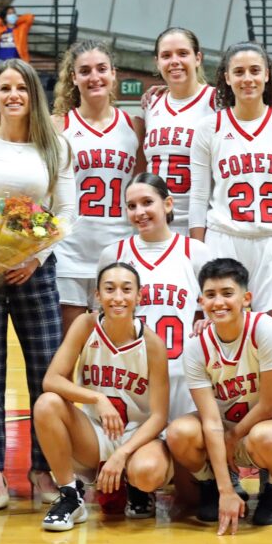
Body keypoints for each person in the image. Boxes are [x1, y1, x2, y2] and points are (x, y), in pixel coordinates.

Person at [0, 59, 74, 509]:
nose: (13, 95)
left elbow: (66, 212)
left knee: (46, 369)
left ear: (33, 94)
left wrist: (36, 256)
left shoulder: (55, 145)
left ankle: (43, 468)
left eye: (21, 87)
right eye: (5, 87)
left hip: (35, 265)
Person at [35, 262, 172, 531]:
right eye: (109, 289)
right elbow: (51, 380)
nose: (118, 297)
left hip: (136, 438)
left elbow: (158, 417)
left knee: (147, 473)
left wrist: (122, 453)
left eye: (126, 289)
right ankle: (70, 497)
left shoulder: (152, 344)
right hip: (95, 435)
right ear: (97, 295)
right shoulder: (85, 326)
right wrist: (98, 399)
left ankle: (135, 485)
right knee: (46, 404)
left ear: (139, 296)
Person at [166, 258, 272, 533]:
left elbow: (268, 406)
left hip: (270, 422)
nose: (219, 302)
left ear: (246, 298)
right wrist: (224, 488)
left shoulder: (266, 329)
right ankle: (212, 485)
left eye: (228, 293)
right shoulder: (195, 346)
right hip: (224, 425)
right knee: (178, 433)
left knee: (266, 437)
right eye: (211, 295)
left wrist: (233, 436)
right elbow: (211, 420)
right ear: (201, 301)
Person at [188, 41, 272, 317]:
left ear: (267, 74)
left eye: (255, 71)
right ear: (227, 77)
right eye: (239, 72)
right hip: (224, 238)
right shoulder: (209, 128)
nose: (248, 79)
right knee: (225, 329)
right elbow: (197, 199)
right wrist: (197, 257)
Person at [98, 172, 212, 421]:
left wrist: (209, 321)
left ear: (168, 204)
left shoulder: (196, 252)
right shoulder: (113, 255)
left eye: (147, 202)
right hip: (132, 379)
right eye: (131, 206)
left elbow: (220, 312)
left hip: (184, 377)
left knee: (184, 448)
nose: (139, 212)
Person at [52, 39, 139, 332]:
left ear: (114, 73)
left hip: (119, 251)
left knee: (116, 350)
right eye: (85, 71)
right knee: (71, 349)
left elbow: (139, 190)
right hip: (69, 253)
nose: (94, 77)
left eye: (102, 69)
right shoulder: (59, 125)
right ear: (73, 77)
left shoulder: (135, 125)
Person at [141, 27, 216, 236]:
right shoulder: (152, 103)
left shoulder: (217, 101)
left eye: (183, 53)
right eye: (166, 55)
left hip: (202, 225)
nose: (174, 61)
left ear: (198, 58)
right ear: (157, 62)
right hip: (157, 225)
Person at [0, 6, 35, 73]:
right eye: (9, 13)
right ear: (5, 17)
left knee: (23, 69)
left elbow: (30, 17)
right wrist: (0, 21)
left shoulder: (21, 28)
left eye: (14, 13)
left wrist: (17, 20)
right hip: (1, 61)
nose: (12, 15)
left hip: (17, 61)